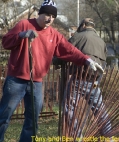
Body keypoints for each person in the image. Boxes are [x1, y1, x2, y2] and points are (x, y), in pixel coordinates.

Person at [0, 1, 103, 142]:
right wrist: (21, 35)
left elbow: (69, 50)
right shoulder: (24, 24)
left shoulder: (54, 35)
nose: (50, 19)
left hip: (36, 83)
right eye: (47, 14)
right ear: (39, 13)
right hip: (16, 80)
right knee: (4, 115)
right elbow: (5, 42)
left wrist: (87, 60)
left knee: (33, 120)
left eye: (53, 16)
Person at [66, 18, 111, 136]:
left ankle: (77, 136)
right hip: (95, 80)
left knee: (69, 108)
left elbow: (65, 50)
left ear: (84, 25)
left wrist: (54, 61)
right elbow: (104, 60)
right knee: (99, 109)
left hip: (78, 78)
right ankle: (108, 136)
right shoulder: (101, 41)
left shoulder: (78, 36)